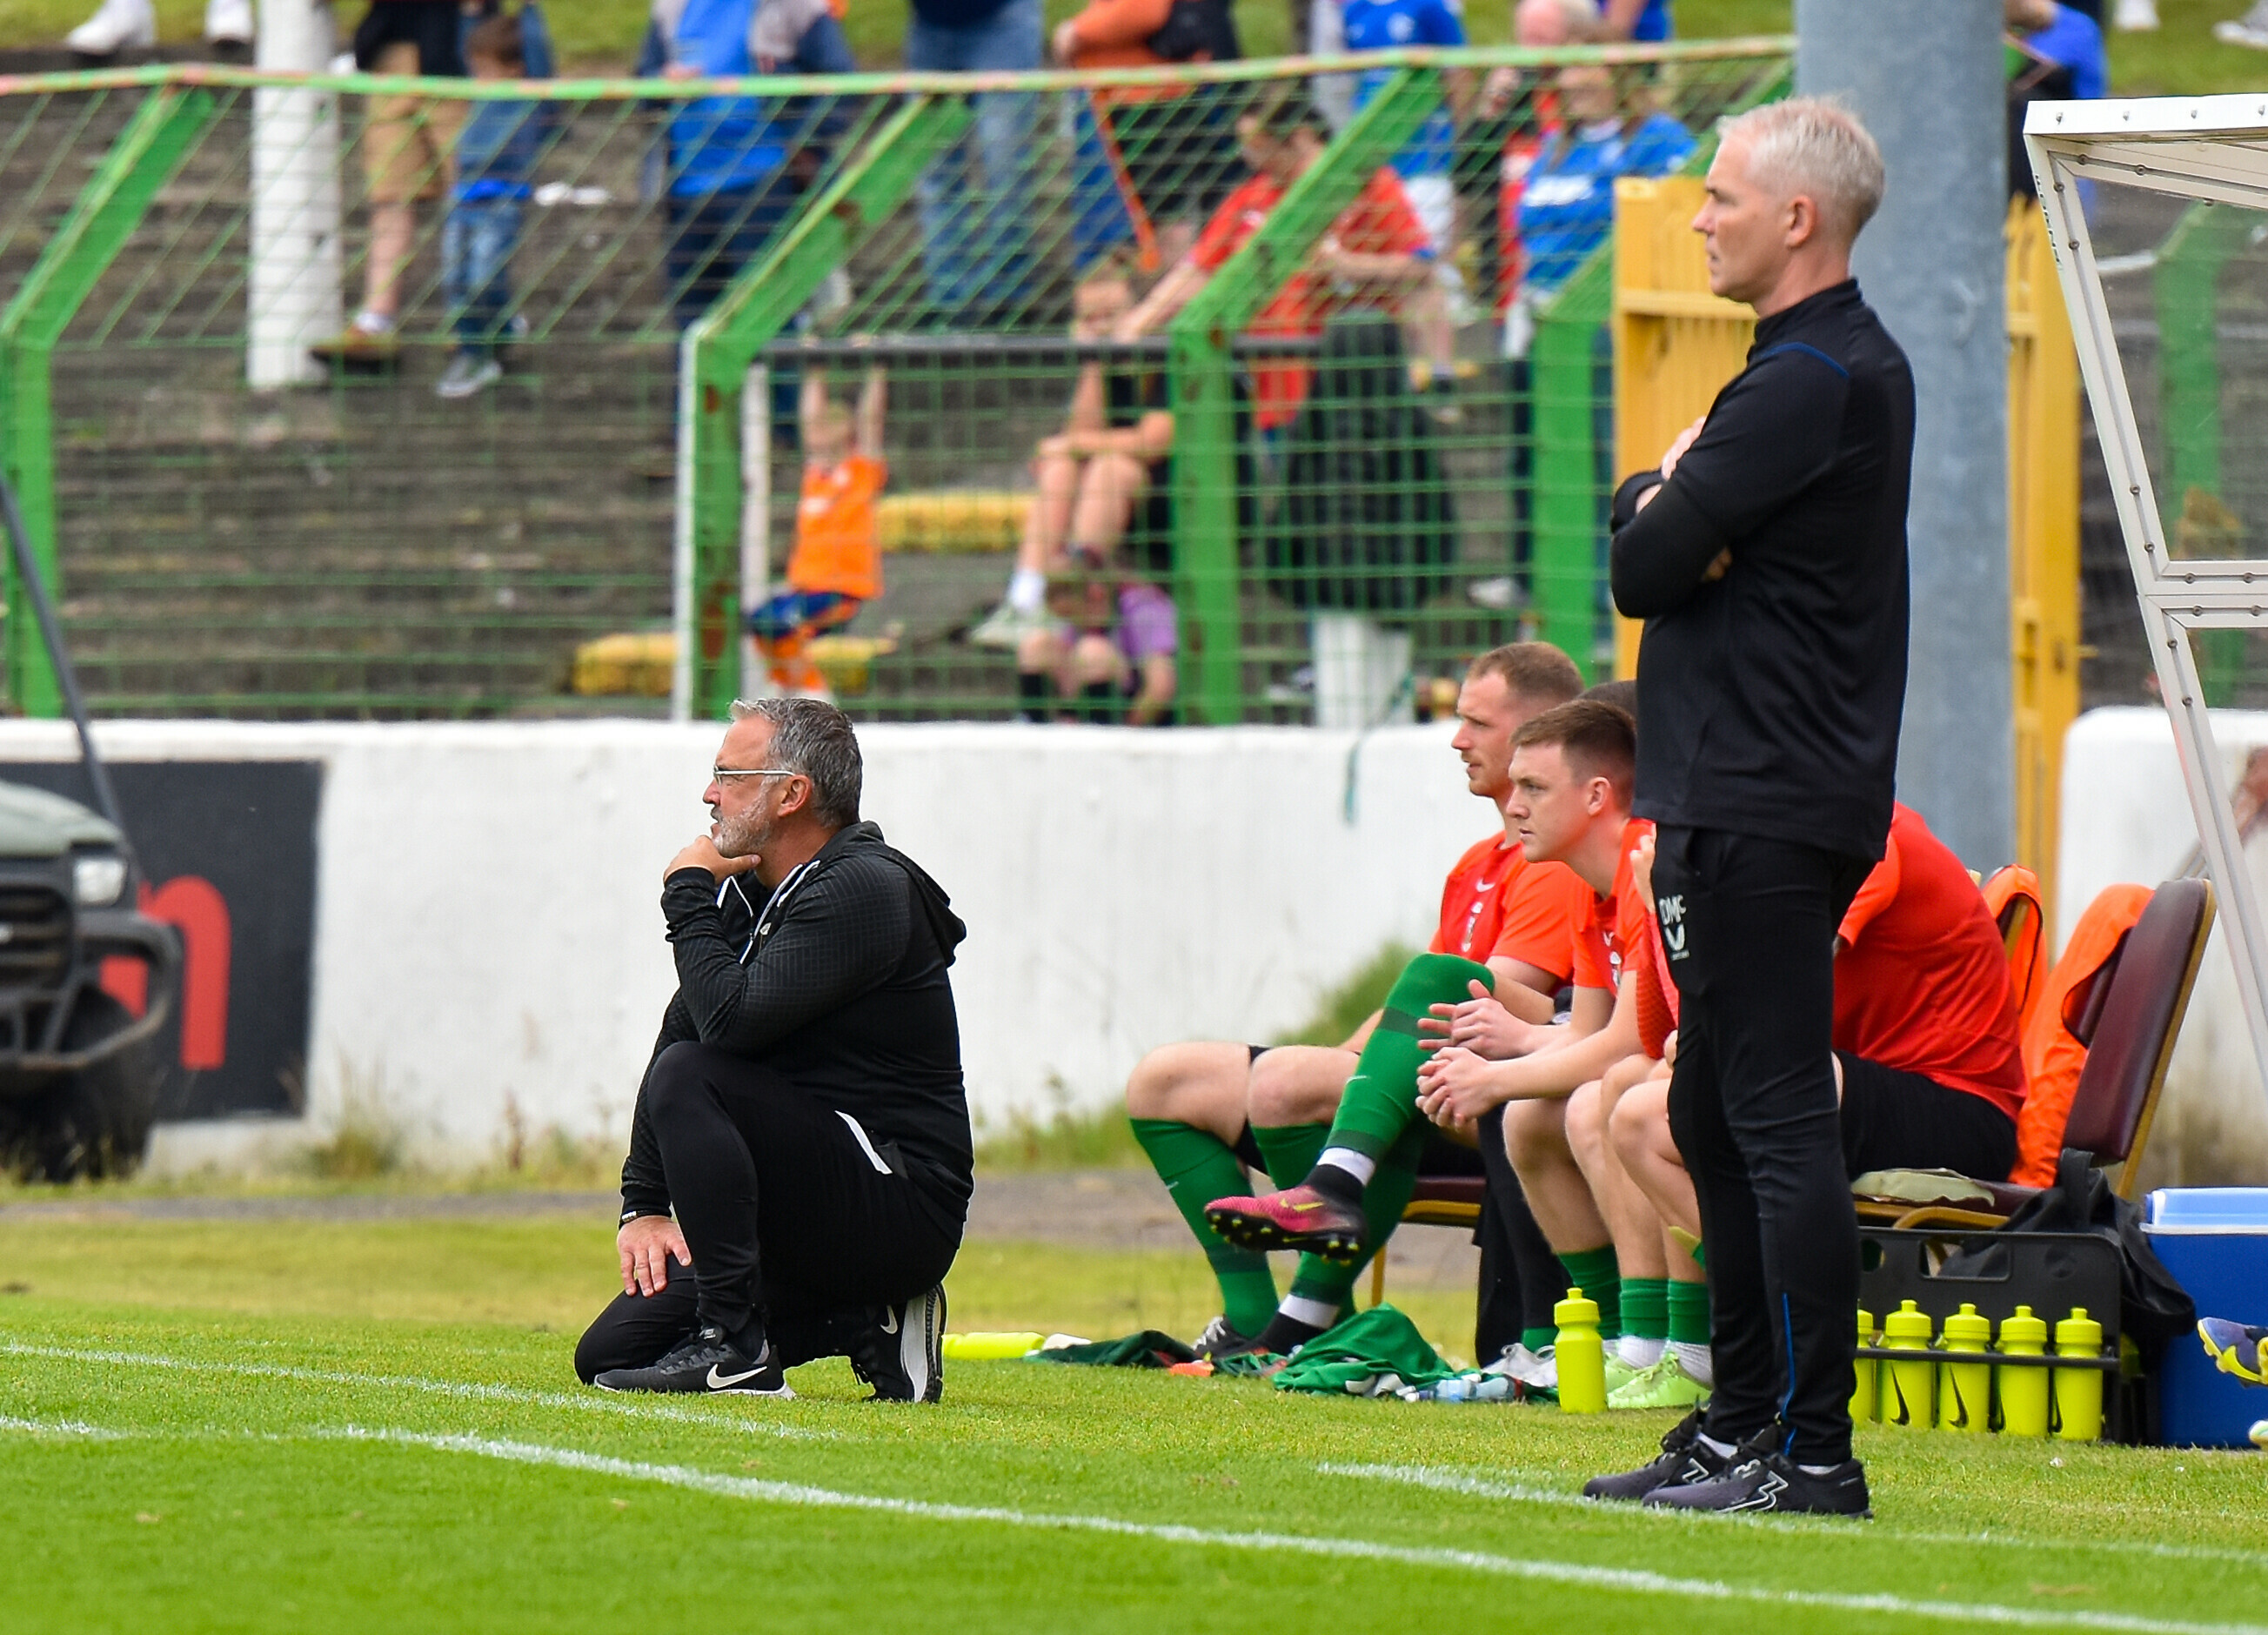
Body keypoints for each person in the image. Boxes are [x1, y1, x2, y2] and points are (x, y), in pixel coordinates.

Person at [1589, 97, 1910, 1518]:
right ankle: (1733, 1426)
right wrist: (1661, 504)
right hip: (1730, 789)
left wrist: (1671, 510)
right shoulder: (1789, 372)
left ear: (1798, 218)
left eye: (1720, 195)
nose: (1699, 213)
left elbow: (1646, 566)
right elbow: (1644, 526)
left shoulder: (1812, 377)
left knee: (1770, 1115)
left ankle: (1814, 1451)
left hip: (1772, 794)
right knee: (1712, 1110)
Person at [1125, 641, 1585, 1358]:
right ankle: (1249, 1315)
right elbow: (1415, 1005)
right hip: (1428, 1076)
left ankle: (1303, 1313)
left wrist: (1341, 1069)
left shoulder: (1557, 866)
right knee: (1166, 1079)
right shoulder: (1476, 862)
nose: (1456, 739)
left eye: (1476, 723)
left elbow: (1473, 1004)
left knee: (1286, 1080)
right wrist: (1348, 1063)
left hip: (1490, 1090)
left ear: (1539, 733)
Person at [573, 698, 972, 1401]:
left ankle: (739, 1351)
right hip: (805, 1208)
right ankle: (866, 1314)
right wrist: (644, 1205)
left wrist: (687, 892)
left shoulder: (863, 886)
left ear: (792, 793)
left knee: (695, 1074)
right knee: (610, 1350)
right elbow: (682, 1030)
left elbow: (725, 1031)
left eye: (730, 773)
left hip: (897, 1205)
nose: (708, 793)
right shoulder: (761, 889)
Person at [1118, 95, 1439, 436]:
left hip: (1355, 382)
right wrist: (1141, 319)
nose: (1250, 158)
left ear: (1299, 137)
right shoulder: (1249, 198)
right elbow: (1200, 268)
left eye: (1259, 146)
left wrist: (1349, 265)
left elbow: (1420, 265)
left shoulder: (1369, 183)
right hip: (1277, 388)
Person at [311, 0, 478, 365]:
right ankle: (376, 321)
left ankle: (477, 316)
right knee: (390, 193)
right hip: (390, 48)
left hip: (457, 49)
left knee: (472, 189)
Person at [1338, 0, 1473, 387]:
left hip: (1425, 162)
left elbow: (1458, 72)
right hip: (1377, 165)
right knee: (1392, 267)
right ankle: (1411, 373)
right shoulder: (1354, 10)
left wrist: (1457, 139)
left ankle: (1441, 371)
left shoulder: (1429, 7)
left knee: (1420, 265)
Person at [1054, 0, 1241, 271]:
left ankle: (1176, 303)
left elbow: (1145, 9)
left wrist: (1077, 30)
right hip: (1124, 101)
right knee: (1145, 227)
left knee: (1169, 225)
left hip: (1154, 103)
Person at [745, 364, 887, 697]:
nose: (819, 433)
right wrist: (814, 370)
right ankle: (791, 687)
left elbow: (872, 421)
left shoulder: (860, 471)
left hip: (841, 588)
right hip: (806, 587)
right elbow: (809, 418)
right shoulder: (814, 478)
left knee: (778, 624)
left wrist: (876, 371)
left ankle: (814, 695)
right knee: (760, 622)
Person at [904, 0, 1043, 323]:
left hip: (1002, 21)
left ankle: (1011, 300)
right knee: (935, 172)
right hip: (929, 26)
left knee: (1006, 168)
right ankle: (949, 299)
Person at [435, 11, 545, 401]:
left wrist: (531, 9)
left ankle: (482, 352)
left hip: (501, 200)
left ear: (514, 69)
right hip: (462, 197)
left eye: (487, 69)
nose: (478, 78)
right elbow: (466, 30)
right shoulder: (475, 89)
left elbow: (536, 47)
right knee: (454, 279)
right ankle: (482, 342)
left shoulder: (526, 92)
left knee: (485, 277)